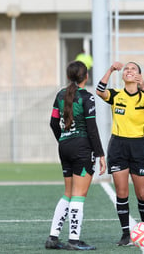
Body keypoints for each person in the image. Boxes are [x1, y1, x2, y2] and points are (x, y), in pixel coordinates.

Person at [46, 61, 106, 251]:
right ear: (86, 77)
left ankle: (53, 238)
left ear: (68, 76)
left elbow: (53, 123)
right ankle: (74, 240)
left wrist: (64, 140)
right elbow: (92, 129)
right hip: (81, 148)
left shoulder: (60, 95)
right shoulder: (87, 98)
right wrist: (100, 154)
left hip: (64, 146)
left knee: (68, 193)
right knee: (79, 195)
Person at [96, 61, 144, 246]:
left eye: (133, 69)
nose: (129, 71)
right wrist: (110, 70)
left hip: (139, 146)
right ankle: (125, 234)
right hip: (118, 146)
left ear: (139, 74)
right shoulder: (116, 95)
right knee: (122, 193)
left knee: (142, 194)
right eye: (126, 69)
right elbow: (100, 91)